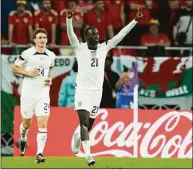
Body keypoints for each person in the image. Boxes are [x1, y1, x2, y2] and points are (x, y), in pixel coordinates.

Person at [66, 5, 143, 166]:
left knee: (90, 124)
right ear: (86, 37)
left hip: (97, 91)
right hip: (82, 90)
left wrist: (134, 21)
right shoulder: (79, 47)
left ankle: (78, 136)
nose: (96, 36)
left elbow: (121, 35)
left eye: (97, 34)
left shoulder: (104, 47)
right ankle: (88, 156)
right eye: (92, 34)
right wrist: (69, 18)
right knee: (84, 122)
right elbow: (71, 34)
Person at [11, 28, 56, 163]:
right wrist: (27, 73)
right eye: (40, 38)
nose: (42, 40)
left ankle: (39, 153)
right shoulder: (27, 54)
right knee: (27, 123)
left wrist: (50, 79)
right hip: (28, 94)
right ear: (34, 40)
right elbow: (14, 68)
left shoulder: (51, 55)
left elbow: (50, 70)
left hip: (43, 94)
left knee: (42, 122)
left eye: (44, 37)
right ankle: (23, 139)